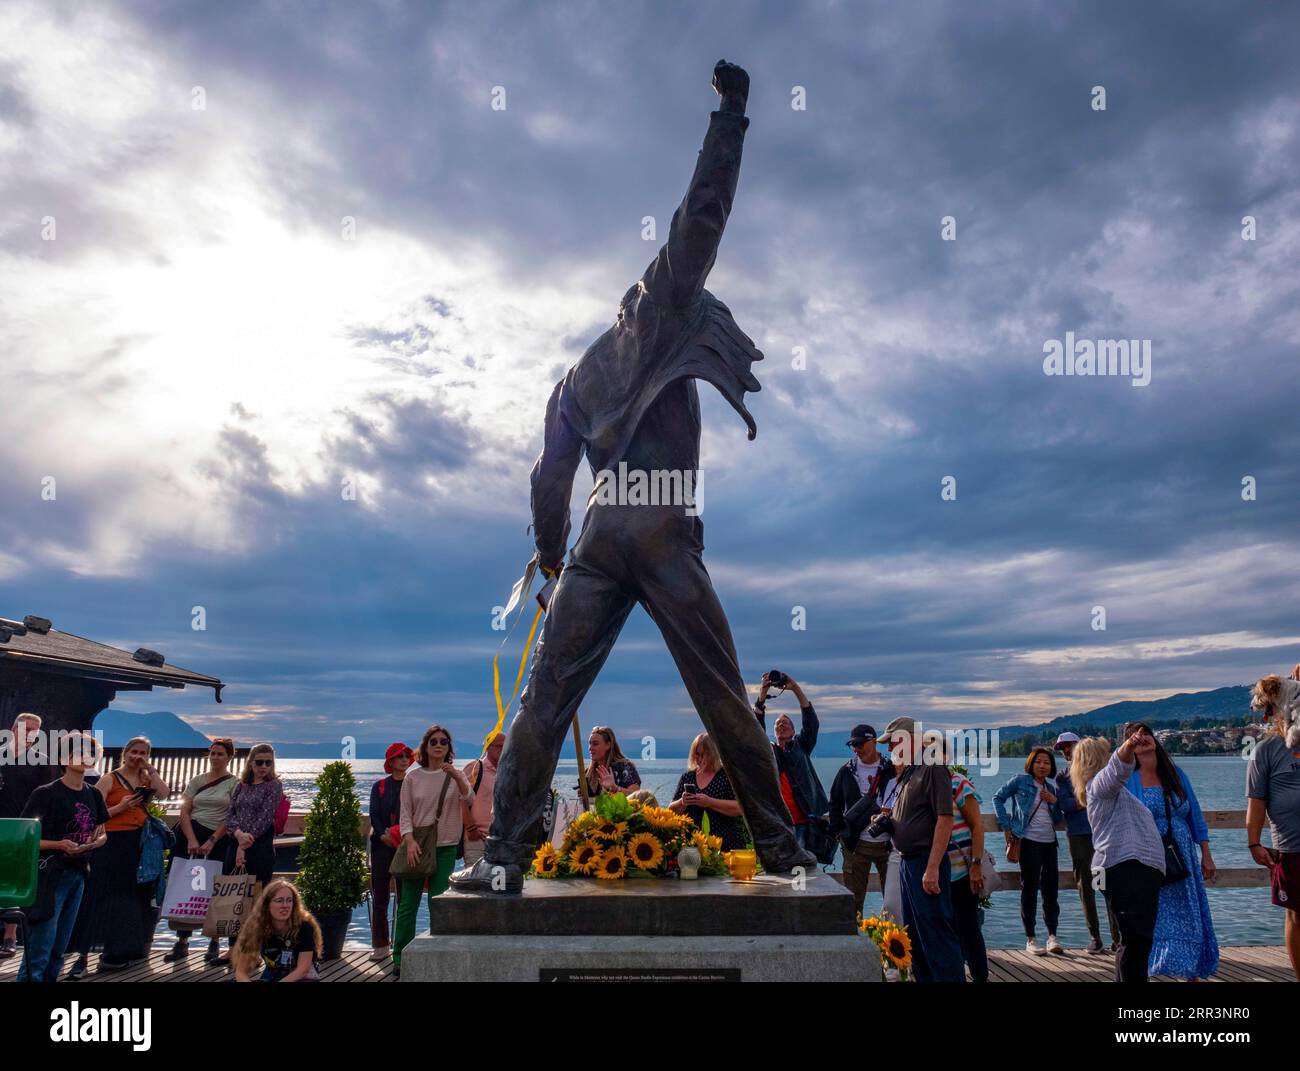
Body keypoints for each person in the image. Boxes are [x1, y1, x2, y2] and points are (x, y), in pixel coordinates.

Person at [449, 61, 815, 895]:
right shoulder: (656, 312)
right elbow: (704, 215)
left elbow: (550, 477)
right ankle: (784, 850)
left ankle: (502, 855)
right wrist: (732, 116)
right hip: (659, 529)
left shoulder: (577, 378)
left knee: (545, 695)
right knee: (721, 693)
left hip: (597, 535)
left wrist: (551, 555)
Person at [1122, 721, 1219, 980]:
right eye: (1135, 736)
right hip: (1147, 857)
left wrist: (1206, 854)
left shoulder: (1175, 774)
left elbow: (1195, 816)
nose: (1142, 738)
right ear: (1128, 745)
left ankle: (1191, 972)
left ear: (1155, 739)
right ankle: (1151, 971)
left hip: (1182, 854)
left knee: (1189, 912)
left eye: (1146, 733)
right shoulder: (1128, 779)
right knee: (1153, 915)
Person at [67, 735, 169, 977]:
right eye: (134, 752)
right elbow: (92, 815)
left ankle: (114, 953)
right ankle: (81, 956)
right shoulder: (109, 779)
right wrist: (120, 808)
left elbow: (164, 793)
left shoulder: (145, 779)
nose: (137, 757)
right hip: (110, 843)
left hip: (137, 845)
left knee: (127, 898)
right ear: (125, 753)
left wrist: (151, 771)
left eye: (143, 753)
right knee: (97, 896)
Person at [875, 716, 964, 983]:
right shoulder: (911, 769)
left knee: (936, 932)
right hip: (906, 862)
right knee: (915, 934)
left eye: (892, 742)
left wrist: (933, 867)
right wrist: (890, 822)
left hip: (925, 861)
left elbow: (944, 819)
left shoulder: (933, 766)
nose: (889, 749)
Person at [1073, 733, 1166, 982]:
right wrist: (1129, 746)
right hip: (1125, 869)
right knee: (1136, 940)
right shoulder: (1100, 786)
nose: (1111, 754)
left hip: (1123, 869)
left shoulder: (1108, 793)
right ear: (1098, 759)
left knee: (1135, 939)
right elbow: (1118, 769)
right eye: (1107, 752)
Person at [16, 733, 108, 983]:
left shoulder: (93, 794)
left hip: (79, 872)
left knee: (60, 948)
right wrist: (59, 844)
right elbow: (25, 837)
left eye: (90, 752)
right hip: (50, 874)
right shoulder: (46, 793)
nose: (85, 756)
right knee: (40, 948)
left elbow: (101, 832)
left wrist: (96, 842)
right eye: (79, 751)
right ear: (64, 758)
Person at [392, 725, 474, 976]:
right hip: (416, 846)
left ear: (449, 748)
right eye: (434, 742)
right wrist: (409, 840)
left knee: (439, 903)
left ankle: (439, 952)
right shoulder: (412, 777)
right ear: (425, 746)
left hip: (446, 846)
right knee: (408, 903)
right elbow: (405, 812)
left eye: (444, 742)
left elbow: (469, 799)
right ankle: (400, 957)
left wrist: (459, 777)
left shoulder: (455, 774)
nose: (439, 745)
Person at [1247, 665, 1300, 981]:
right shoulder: (1265, 751)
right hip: (1291, 846)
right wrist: (1253, 841)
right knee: (1296, 914)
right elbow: (1256, 801)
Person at [166, 737, 238, 964]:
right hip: (190, 835)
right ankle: (182, 940)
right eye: (213, 753)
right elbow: (185, 810)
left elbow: (232, 816)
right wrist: (191, 838)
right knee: (183, 887)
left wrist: (213, 839)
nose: (216, 757)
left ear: (229, 757)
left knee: (213, 891)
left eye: (220, 754)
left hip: (217, 838)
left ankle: (214, 941)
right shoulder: (197, 780)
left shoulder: (234, 783)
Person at [993, 747, 1065, 956]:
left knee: (1051, 889)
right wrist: (1006, 825)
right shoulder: (1020, 781)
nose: (1042, 766)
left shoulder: (1051, 788)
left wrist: (1054, 803)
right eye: (1038, 762)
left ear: (1051, 767)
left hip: (1049, 843)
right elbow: (998, 798)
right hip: (1029, 842)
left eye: (1047, 763)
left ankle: (1052, 936)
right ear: (1031, 763)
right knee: (1030, 888)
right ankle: (1031, 938)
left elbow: (1057, 818)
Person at [1054, 731, 1120, 954]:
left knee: (1106, 885)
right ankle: (1095, 937)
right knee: (1085, 886)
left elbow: (1081, 801)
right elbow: (1065, 804)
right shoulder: (1062, 777)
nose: (1065, 751)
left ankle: (1118, 938)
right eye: (1062, 748)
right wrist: (1090, 798)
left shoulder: (1101, 772)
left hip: (1101, 834)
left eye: (1069, 746)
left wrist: (1082, 799)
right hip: (1079, 837)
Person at [0, 712, 55, 960]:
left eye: (35, 730)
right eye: (26, 728)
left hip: (23, 831)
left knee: (15, 881)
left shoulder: (41, 761)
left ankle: (9, 936)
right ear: (13, 729)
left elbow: (46, 801)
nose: (30, 734)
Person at [754, 671, 828, 853]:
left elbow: (811, 722)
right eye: (778, 723)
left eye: (786, 722)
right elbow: (754, 729)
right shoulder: (769, 752)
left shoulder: (801, 747)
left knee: (801, 873)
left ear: (794, 731)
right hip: (778, 822)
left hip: (803, 822)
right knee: (780, 870)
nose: (781, 724)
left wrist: (795, 688)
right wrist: (763, 692)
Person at [828, 723, 895, 917]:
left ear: (874, 742)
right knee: (853, 903)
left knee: (893, 901)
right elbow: (835, 804)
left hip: (888, 846)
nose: (857, 749)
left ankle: (892, 944)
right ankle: (856, 946)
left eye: (860, 744)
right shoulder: (846, 771)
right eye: (853, 745)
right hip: (856, 846)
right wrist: (840, 833)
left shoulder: (891, 769)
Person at [368, 742, 412, 962]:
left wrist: (399, 837)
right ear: (391, 761)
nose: (404, 760)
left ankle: (403, 945)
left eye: (407, 756)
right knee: (380, 898)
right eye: (399, 756)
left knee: (405, 899)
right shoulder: (380, 787)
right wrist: (383, 834)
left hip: (404, 846)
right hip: (381, 847)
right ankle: (380, 945)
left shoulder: (413, 785)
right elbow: (373, 814)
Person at [947, 757, 989, 982]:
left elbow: (977, 826)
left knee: (969, 929)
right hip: (940, 873)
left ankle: (980, 977)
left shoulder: (958, 782)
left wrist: (976, 865)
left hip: (964, 870)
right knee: (947, 931)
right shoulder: (926, 785)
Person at [232, 880, 321, 983]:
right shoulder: (256, 926)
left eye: (289, 900)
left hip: (302, 977)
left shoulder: (304, 926)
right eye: (279, 900)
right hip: (272, 974)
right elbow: (240, 972)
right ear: (267, 905)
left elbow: (303, 970)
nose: (285, 905)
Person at [669, 732, 746, 849]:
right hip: (692, 844)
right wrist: (682, 802)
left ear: (713, 754)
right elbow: (671, 811)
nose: (699, 759)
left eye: (703, 755)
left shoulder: (726, 776)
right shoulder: (688, 777)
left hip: (725, 843)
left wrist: (710, 802)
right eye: (697, 755)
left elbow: (739, 808)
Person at [224, 743, 284, 888]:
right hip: (235, 843)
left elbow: (264, 818)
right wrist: (238, 834)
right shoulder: (242, 785)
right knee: (231, 889)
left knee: (257, 892)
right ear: (251, 763)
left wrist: (243, 845)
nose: (263, 766)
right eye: (259, 762)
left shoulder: (274, 785)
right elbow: (230, 813)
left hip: (259, 846)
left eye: (268, 763)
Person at [461, 731, 504, 868]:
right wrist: (471, 829)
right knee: (475, 883)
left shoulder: (507, 771)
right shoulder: (474, 768)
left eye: (505, 746)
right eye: (498, 746)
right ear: (487, 747)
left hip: (501, 840)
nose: (502, 750)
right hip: (477, 839)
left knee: (499, 884)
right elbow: (460, 801)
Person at [584, 725, 641, 799]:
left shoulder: (625, 767)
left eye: (595, 744)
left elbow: (637, 795)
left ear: (608, 745)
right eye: (590, 743)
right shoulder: (588, 773)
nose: (590, 748)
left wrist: (615, 788)